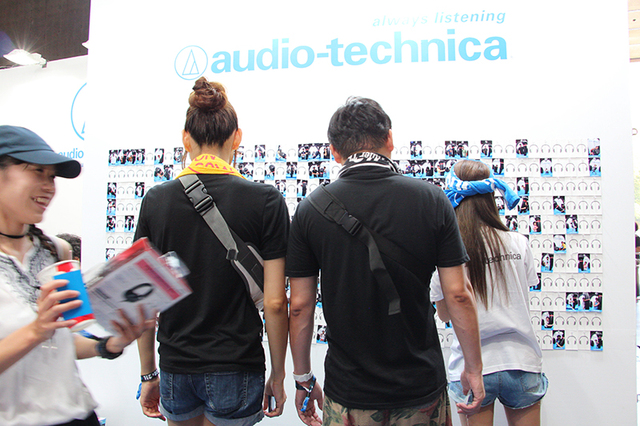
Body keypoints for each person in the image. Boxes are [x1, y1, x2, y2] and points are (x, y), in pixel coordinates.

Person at [286, 97, 484, 426]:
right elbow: (458, 293)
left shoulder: (310, 210)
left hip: (349, 393)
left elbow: (300, 306)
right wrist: (474, 368)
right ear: (390, 139)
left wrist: (303, 377)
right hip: (420, 388)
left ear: (334, 151)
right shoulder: (432, 200)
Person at [134, 77, 290, 426]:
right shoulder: (266, 200)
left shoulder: (156, 201)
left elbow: (143, 301)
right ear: (237, 137)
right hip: (238, 362)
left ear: (185, 138)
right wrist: (278, 374)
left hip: (176, 364)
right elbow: (276, 303)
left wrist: (148, 374)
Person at [0, 125, 154, 426]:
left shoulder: (57, 250)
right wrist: (36, 330)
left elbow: (61, 342)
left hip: (78, 416)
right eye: (37, 172)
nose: (48, 186)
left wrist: (107, 345)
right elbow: (42, 333)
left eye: (52, 177)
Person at [431, 159, 548, 426]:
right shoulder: (518, 242)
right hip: (522, 361)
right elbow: (524, 291)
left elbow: (446, 314)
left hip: (471, 364)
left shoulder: (448, 251)